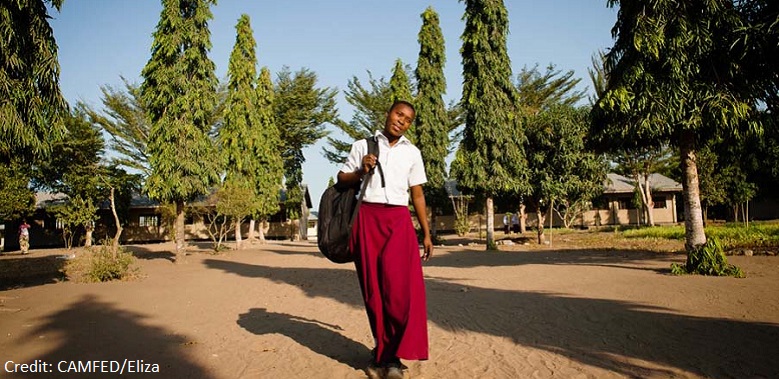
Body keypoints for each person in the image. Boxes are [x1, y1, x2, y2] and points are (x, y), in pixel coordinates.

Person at [337, 100, 433, 379]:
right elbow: (342, 179)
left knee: (402, 292)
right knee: (374, 291)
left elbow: (417, 194)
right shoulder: (362, 146)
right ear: (388, 113)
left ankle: (393, 352)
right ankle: (386, 355)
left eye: (407, 119)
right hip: (367, 219)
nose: (401, 121)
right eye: (398, 114)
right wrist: (361, 171)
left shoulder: (412, 152)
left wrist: (426, 233)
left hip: (399, 222)